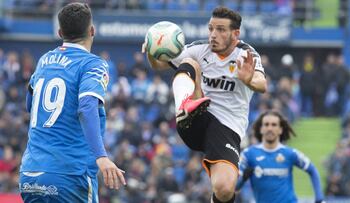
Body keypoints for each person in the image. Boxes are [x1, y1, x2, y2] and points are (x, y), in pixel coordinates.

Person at [143, 6, 267, 203]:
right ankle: (185, 105)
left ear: (235, 34)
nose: (213, 35)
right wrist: (152, 51)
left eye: (220, 30)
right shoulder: (199, 49)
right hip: (196, 118)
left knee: (225, 189)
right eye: (211, 29)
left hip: (227, 128)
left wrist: (249, 79)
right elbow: (159, 65)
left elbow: (262, 84)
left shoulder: (246, 54)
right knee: (191, 64)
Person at [18, 3, 126, 202]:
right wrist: (101, 157)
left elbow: (30, 104)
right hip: (69, 175)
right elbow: (86, 106)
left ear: (60, 32)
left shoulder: (44, 60)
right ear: (92, 30)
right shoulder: (93, 64)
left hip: (31, 174)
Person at [236, 110, 325, 203]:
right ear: (261, 129)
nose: (270, 128)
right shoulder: (248, 154)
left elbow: (312, 170)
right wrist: (243, 179)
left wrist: (319, 199)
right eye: (266, 124)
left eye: (274, 125)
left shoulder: (290, 153)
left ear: (280, 129)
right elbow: (234, 187)